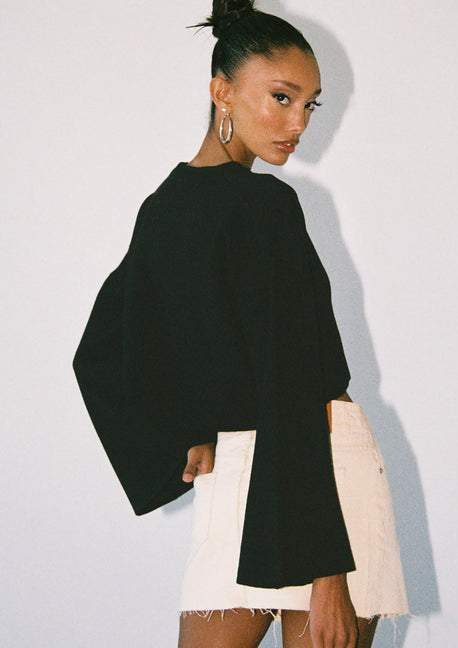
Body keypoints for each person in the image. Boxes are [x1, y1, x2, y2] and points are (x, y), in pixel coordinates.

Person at [72, 1, 409, 647]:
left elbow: (107, 352)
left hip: (309, 465)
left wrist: (184, 431)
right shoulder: (261, 204)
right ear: (221, 91)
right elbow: (284, 376)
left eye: (309, 105)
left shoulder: (163, 207)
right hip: (296, 460)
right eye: (281, 97)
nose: (298, 123)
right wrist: (328, 572)